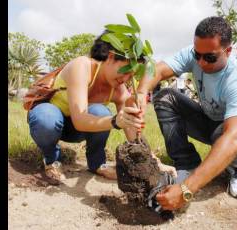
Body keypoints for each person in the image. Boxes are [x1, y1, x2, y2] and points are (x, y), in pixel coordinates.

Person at [131, 16, 237, 211]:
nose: (201, 62)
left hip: (231, 130)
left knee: (225, 136)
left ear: (228, 51)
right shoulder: (196, 56)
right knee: (165, 97)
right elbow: (158, 70)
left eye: (210, 57)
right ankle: (186, 163)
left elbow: (235, 137)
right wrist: (141, 92)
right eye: (197, 54)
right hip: (207, 118)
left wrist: (186, 189)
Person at [27, 31, 147, 183]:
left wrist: (152, 160)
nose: (125, 79)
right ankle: (52, 160)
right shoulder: (82, 66)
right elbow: (80, 119)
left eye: (131, 76)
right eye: (125, 71)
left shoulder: (119, 89)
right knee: (46, 118)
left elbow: (132, 130)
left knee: (101, 112)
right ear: (110, 57)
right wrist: (115, 121)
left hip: (79, 131)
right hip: (51, 123)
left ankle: (97, 164)